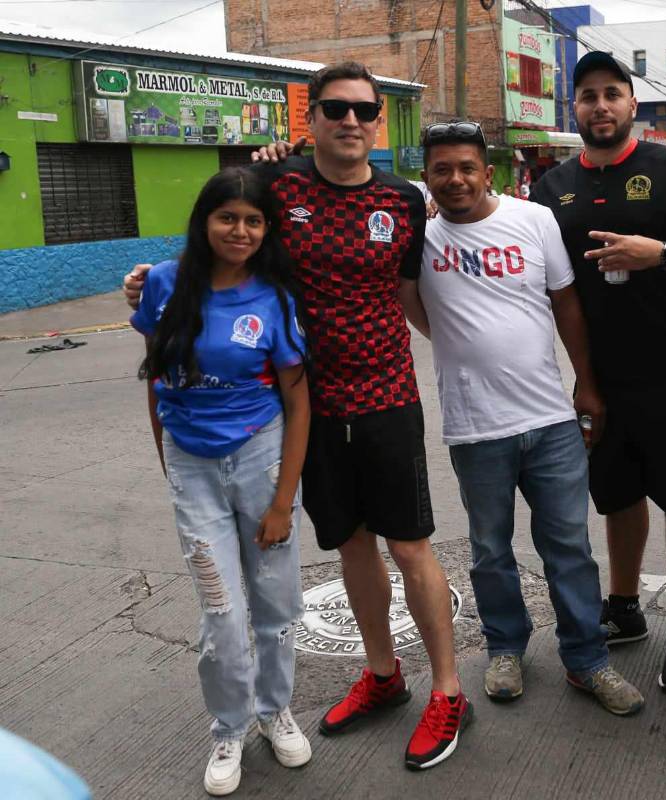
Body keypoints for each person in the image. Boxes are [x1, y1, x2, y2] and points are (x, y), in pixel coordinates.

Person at [125, 62, 470, 770]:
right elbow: (226, 238)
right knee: (350, 546)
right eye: (335, 109)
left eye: (364, 111)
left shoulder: (403, 202)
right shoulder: (278, 185)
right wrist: (155, 277)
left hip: (386, 396)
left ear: (379, 121)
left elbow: (411, 293)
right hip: (301, 408)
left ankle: (447, 690)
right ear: (308, 118)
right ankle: (382, 675)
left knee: (408, 546)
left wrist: (470, 350)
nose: (351, 121)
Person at [395, 120, 644, 715]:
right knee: (489, 549)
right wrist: (460, 342)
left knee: (569, 549)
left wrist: (586, 382)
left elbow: (566, 304)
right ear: (427, 177)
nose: (455, 179)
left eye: (466, 168)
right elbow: (410, 303)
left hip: (550, 420)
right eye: (441, 170)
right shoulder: (420, 238)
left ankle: (587, 660)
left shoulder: (534, 221)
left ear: (490, 172)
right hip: (475, 427)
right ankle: (506, 647)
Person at [529, 51, 666, 694]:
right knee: (618, 494)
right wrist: (583, 378)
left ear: (633, 105)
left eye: (613, 93)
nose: (601, 105)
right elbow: (557, 290)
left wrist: (657, 254)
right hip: (601, 376)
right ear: (573, 108)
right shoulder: (552, 187)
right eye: (588, 95)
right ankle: (625, 605)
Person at [132, 168, 312, 795]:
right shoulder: (162, 285)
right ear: (204, 221)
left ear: (266, 230)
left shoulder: (275, 297)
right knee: (221, 611)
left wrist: (284, 502)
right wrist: (173, 470)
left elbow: (299, 403)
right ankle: (229, 727)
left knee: (275, 606)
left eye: (253, 221)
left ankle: (275, 711)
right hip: (193, 466)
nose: (240, 231)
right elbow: (157, 383)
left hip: (262, 462)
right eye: (227, 218)